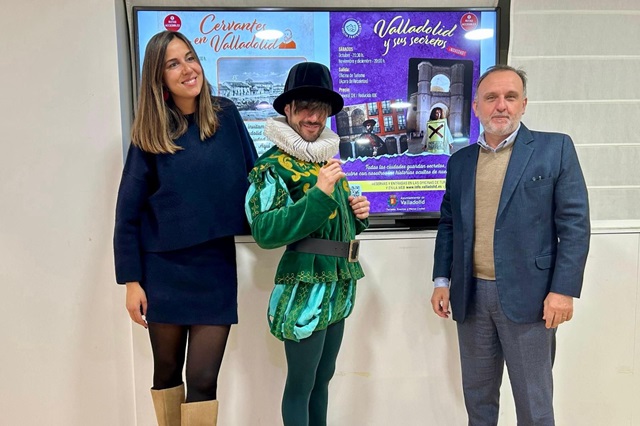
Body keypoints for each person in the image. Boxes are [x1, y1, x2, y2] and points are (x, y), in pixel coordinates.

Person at [430, 64, 590, 425]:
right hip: (471, 297)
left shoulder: (554, 148)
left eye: (510, 97)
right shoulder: (460, 162)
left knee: (534, 405)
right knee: (478, 402)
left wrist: (563, 290)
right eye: (491, 97)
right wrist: (442, 280)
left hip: (531, 299)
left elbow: (575, 225)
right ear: (476, 107)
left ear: (524, 104)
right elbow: (449, 224)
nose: (501, 105)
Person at [113, 30, 257, 426]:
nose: (187, 69)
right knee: (166, 373)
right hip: (163, 270)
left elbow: (257, 179)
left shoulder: (226, 115)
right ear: (158, 77)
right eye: (173, 64)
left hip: (214, 265)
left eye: (190, 58)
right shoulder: (151, 132)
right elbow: (127, 214)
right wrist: (131, 282)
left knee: (204, 380)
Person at [244, 62, 370, 426]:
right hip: (305, 285)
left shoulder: (326, 161)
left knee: (322, 379)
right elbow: (265, 230)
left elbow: (330, 224)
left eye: (320, 108)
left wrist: (357, 216)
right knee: (301, 385)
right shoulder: (271, 166)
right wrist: (319, 195)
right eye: (304, 107)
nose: (313, 117)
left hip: (338, 282)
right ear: (288, 109)